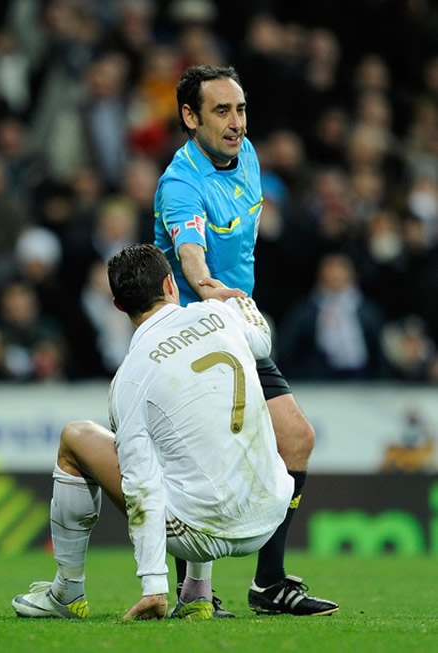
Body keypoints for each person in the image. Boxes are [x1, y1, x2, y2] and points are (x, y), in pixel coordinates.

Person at [12, 243, 296, 621]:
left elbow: (140, 482)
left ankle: (67, 592)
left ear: (118, 305)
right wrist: (237, 299)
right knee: (191, 441)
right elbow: (262, 339)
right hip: (269, 512)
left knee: (75, 436)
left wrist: (154, 586)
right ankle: (197, 593)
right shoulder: (218, 316)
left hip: (200, 534)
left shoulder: (130, 377)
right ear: (170, 284)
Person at [153, 64, 338, 615]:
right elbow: (191, 254)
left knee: (296, 438)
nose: (237, 123)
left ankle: (269, 583)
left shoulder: (249, 154)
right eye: (221, 111)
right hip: (189, 336)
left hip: (239, 330)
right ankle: (193, 594)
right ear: (190, 117)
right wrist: (209, 287)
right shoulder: (180, 183)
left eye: (241, 109)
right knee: (204, 462)